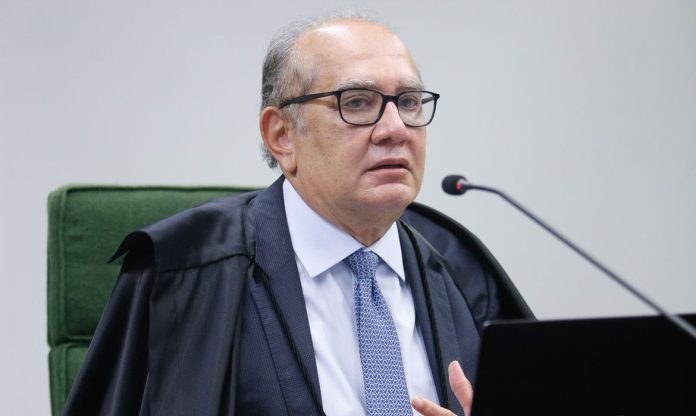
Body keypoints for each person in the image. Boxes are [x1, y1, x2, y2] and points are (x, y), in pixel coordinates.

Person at [63, 14, 531, 416]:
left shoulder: (464, 270)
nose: (395, 129)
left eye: (408, 102)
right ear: (281, 136)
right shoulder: (183, 273)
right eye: (357, 102)